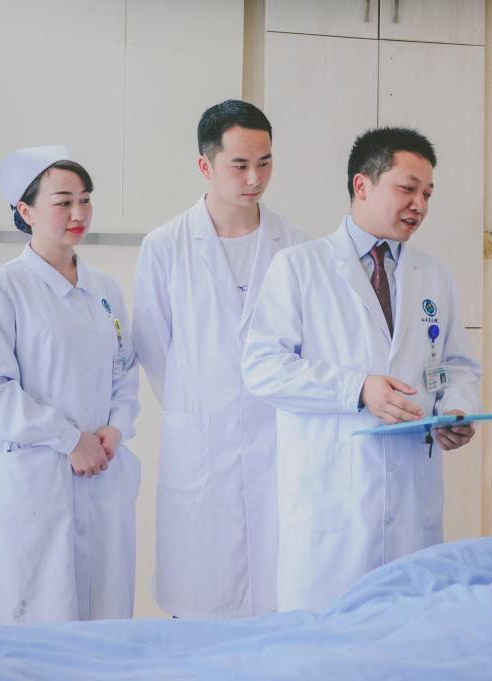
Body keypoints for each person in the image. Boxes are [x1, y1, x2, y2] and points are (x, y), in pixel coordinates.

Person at [242, 126, 483, 612]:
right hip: (332, 505)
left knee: (407, 636)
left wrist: (457, 409)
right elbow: (263, 367)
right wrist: (357, 389)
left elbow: (456, 364)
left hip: (411, 504)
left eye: (428, 194)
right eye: (407, 188)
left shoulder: (433, 273)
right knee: (328, 641)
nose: (419, 205)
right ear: (362, 185)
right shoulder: (300, 266)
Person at [133, 100, 308, 618]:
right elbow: (154, 347)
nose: (255, 179)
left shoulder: (295, 247)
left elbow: (305, 348)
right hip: (200, 441)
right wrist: (201, 401)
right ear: (205, 165)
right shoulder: (165, 246)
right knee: (198, 599)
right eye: (240, 165)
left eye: (265, 163)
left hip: (276, 440)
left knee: (277, 598)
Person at [0, 146, 140, 624]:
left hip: (101, 475)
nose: (78, 214)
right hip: (34, 481)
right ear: (26, 211)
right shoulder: (2, 289)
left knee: (101, 618)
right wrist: (69, 439)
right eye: (63, 202)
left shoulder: (105, 290)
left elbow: (125, 370)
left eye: (85, 200)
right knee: (32, 619)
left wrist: (116, 428)